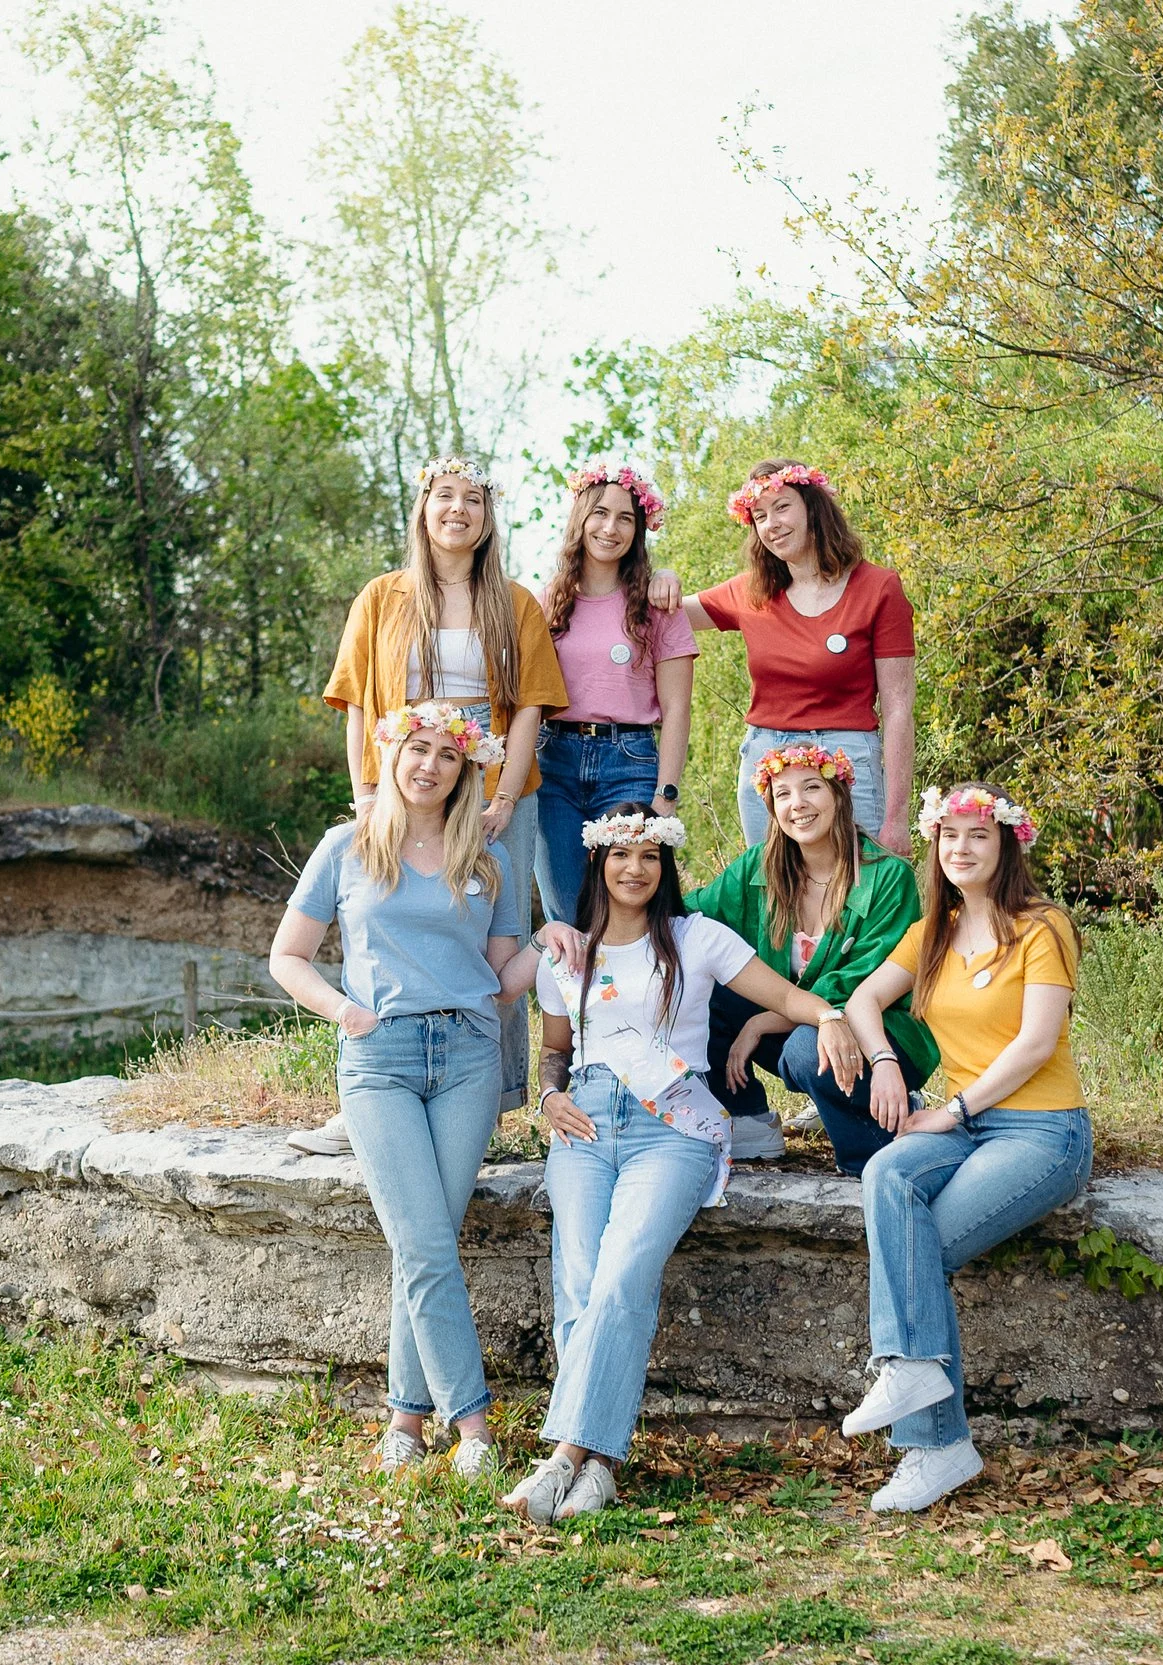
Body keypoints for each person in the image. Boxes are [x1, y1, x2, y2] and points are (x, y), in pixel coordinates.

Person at [496, 806, 862, 1524]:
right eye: (621, 855)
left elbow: (784, 994)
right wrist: (546, 1095)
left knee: (625, 1267)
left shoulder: (697, 940)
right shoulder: (568, 952)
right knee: (578, 1277)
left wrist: (834, 1017)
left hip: (676, 1125)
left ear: (666, 868)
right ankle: (600, 1465)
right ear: (598, 863)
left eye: (650, 857)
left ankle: (567, 1454)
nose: (635, 868)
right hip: (587, 1119)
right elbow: (555, 1048)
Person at [265, 702, 530, 1478]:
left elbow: (504, 974)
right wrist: (346, 1011)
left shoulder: (490, 856)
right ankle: (473, 1424)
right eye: (418, 749)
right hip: (379, 1057)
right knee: (421, 1240)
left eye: (449, 757)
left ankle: (405, 1423)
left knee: (429, 1243)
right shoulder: (346, 846)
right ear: (393, 753)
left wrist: (554, 947)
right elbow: (288, 957)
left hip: (470, 1058)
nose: (431, 767)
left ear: (465, 770)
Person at [292, 456, 568, 1157]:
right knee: (381, 924)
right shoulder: (382, 597)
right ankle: (363, 1097)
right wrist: (364, 788)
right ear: (423, 508)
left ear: (487, 517)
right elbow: (357, 701)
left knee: (490, 941)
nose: (458, 509)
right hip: (406, 771)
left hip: (491, 781)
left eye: (473, 499)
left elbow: (532, 702)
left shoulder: (515, 601)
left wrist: (506, 792)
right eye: (445, 496)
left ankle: (491, 1103)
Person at [835, 784, 1091, 1514]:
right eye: (949, 836)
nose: (962, 849)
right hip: (970, 1125)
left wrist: (953, 1108)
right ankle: (924, 1401)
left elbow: (1037, 1041)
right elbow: (860, 1002)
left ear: (1007, 843)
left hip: (1043, 1129)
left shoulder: (1043, 927)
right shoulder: (934, 930)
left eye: (978, 835)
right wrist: (884, 1061)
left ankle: (932, 1443)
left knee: (915, 1249)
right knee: (886, 1171)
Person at [684, 742, 937, 1166]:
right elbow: (689, 913)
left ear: (838, 794)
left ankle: (871, 1155)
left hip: (878, 1031)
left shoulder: (888, 876)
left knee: (807, 1047)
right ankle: (747, 1116)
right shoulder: (758, 869)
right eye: (782, 794)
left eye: (811, 788)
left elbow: (862, 984)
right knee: (699, 981)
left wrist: (765, 1020)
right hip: (808, 1022)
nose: (797, 804)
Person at [658, 460, 917, 853]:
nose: (771, 524)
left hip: (849, 761)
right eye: (759, 516)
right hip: (767, 760)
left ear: (813, 508)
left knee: (861, 895)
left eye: (782, 507)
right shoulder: (752, 593)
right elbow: (665, 610)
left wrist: (897, 819)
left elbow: (898, 709)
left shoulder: (878, 588)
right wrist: (663, 576)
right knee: (772, 898)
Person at [534, 464, 696, 924]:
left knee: (628, 908)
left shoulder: (657, 604)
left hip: (629, 763)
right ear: (580, 519)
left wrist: (665, 794)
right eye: (600, 514)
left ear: (638, 529)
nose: (610, 528)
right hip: (554, 766)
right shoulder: (546, 602)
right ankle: (569, 999)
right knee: (566, 912)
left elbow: (678, 706)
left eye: (625, 517)